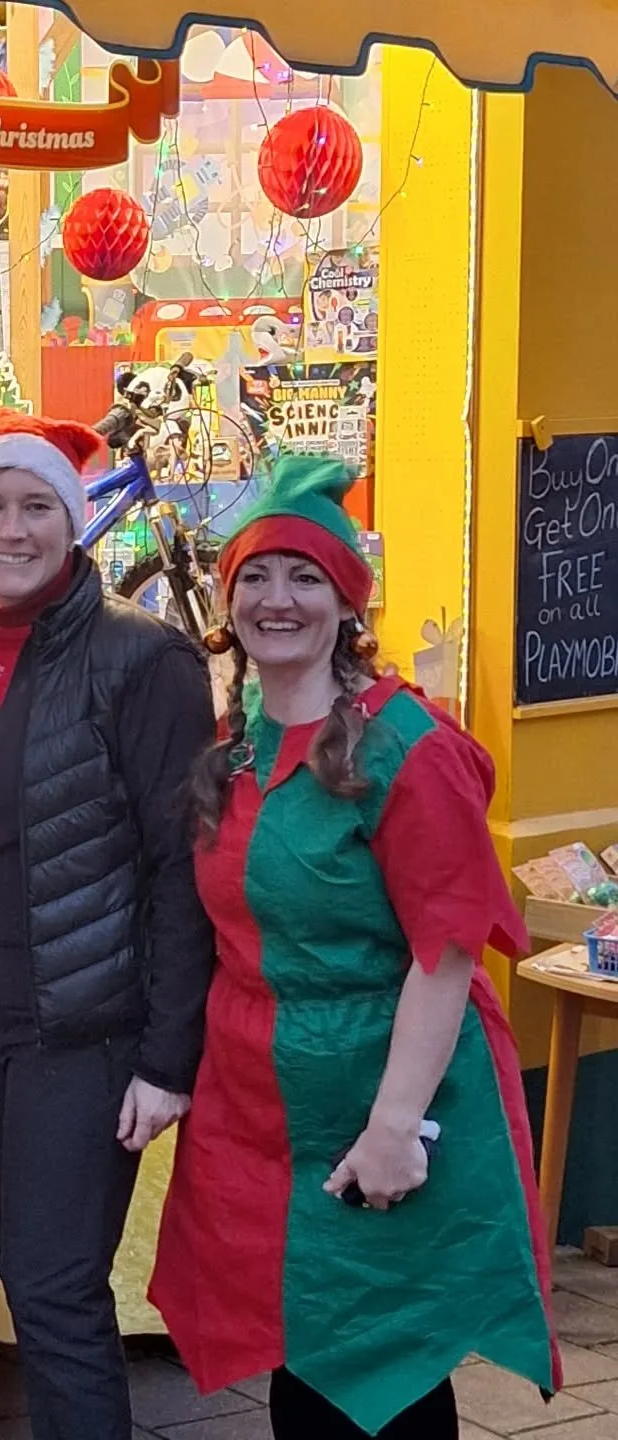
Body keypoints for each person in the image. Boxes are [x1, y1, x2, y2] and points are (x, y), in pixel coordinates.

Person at [149, 456, 560, 1440]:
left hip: (382, 1093)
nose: (276, 600)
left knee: (384, 1367)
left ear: (347, 602)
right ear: (226, 600)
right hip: (261, 1110)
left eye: (306, 577)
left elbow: (446, 953)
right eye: (254, 576)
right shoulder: (235, 743)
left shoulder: (406, 748)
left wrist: (395, 1127)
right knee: (303, 1351)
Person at [0, 407, 216, 1440]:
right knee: (29, 1279)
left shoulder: (143, 659)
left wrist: (167, 1057)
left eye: (37, 506)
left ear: (74, 520)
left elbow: (181, 868)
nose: (12, 529)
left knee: (55, 1288)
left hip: (81, 1029)